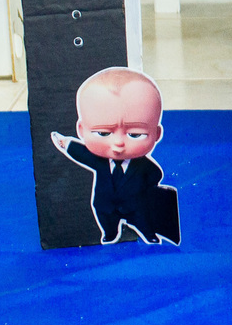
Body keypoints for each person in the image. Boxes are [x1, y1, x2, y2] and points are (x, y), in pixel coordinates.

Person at [51, 67, 180, 246]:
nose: (118, 143)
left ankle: (149, 235)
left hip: (136, 205)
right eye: (104, 133)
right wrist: (66, 143)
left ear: (156, 134)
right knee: (107, 221)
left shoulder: (144, 166)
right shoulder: (100, 161)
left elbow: (155, 175)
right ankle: (110, 233)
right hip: (106, 204)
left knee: (143, 221)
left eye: (135, 134)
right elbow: (82, 154)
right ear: (81, 130)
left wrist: (146, 189)